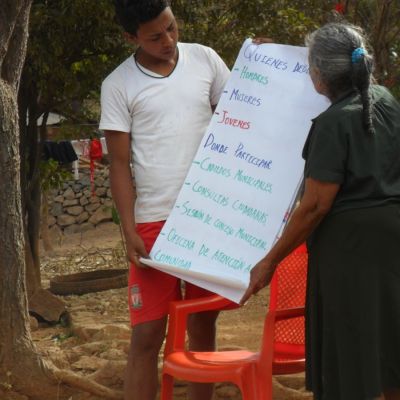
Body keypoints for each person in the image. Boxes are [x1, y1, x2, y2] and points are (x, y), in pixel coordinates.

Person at [241, 22, 400, 400]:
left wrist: (270, 260)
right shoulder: (385, 100)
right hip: (392, 244)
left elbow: (315, 205)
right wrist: (271, 55)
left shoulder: (333, 123)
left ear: (318, 76)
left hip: (350, 253)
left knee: (350, 352)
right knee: (391, 345)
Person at [99, 1, 230, 399]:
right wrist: (129, 229)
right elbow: (119, 165)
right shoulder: (117, 85)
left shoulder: (206, 59)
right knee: (147, 333)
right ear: (130, 37)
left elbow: (244, 113)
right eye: (155, 36)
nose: (168, 41)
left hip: (207, 218)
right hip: (154, 224)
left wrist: (258, 64)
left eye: (171, 28)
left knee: (204, 322)